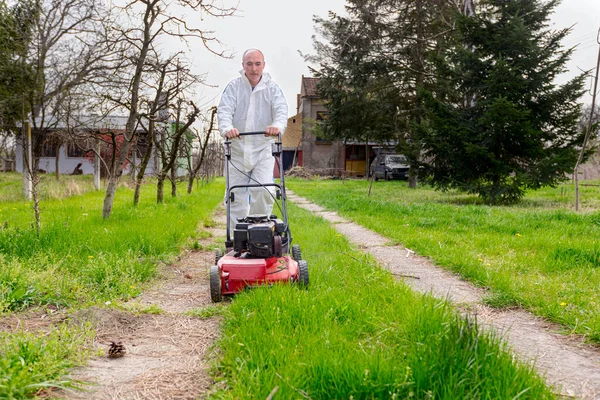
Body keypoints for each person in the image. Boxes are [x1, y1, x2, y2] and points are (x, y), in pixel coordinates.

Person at [217, 49, 288, 229]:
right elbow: (224, 111)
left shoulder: (272, 89)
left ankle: (258, 233)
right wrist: (227, 129)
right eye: (249, 64)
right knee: (235, 197)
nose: (254, 68)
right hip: (237, 151)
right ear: (243, 66)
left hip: (262, 150)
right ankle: (237, 239)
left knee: (265, 191)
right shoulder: (234, 87)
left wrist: (277, 127)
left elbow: (281, 111)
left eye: (257, 64)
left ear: (263, 65)